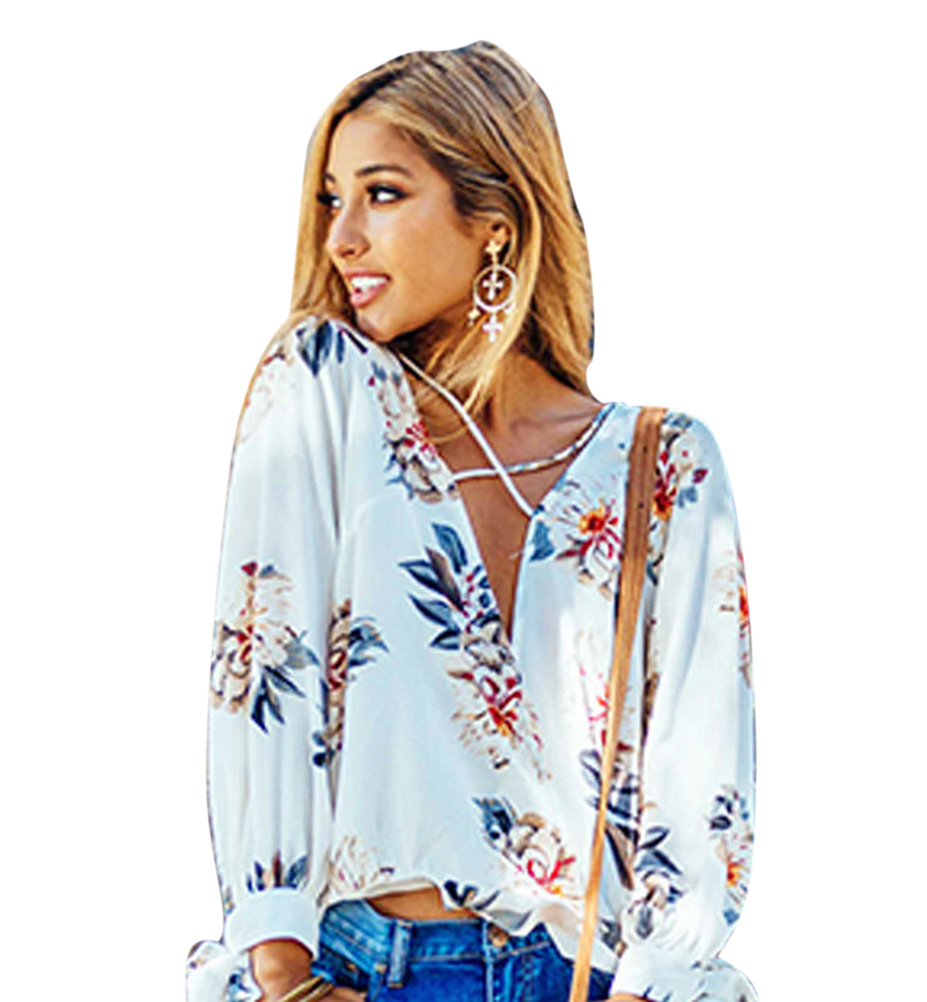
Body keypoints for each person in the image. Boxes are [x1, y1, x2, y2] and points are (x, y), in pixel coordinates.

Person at [186, 40, 758, 1002]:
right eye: (331, 200)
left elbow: (702, 774)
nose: (341, 238)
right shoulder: (326, 390)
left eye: (382, 194)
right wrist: (282, 974)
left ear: (494, 222)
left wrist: (649, 983)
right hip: (364, 969)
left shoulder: (664, 463)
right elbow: (263, 670)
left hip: (587, 979)